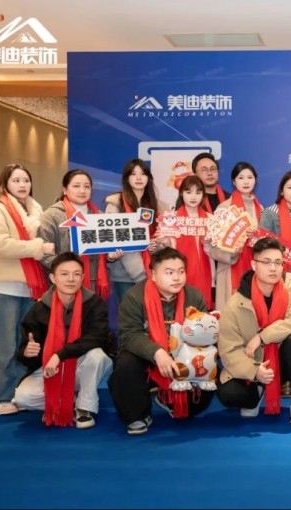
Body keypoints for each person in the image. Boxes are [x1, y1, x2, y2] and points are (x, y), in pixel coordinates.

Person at [0, 164, 55, 415]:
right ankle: (0, 397)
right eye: (16, 180)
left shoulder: (36, 211)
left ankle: (19, 392)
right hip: (3, 286)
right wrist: (37, 247)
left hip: (29, 287)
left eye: (26, 180)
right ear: (4, 184)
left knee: (25, 343)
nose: (22, 185)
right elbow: (0, 245)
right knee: (4, 342)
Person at [108, 247, 213, 435]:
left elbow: (203, 335)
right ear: (153, 275)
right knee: (126, 364)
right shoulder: (134, 297)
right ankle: (137, 415)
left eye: (181, 271)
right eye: (169, 273)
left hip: (183, 356)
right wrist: (157, 352)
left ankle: (168, 400)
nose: (177, 278)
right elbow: (129, 335)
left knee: (197, 402)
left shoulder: (194, 296)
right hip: (147, 356)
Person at [216, 237, 291, 432]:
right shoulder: (236, 302)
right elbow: (229, 350)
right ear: (254, 265)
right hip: (254, 363)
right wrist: (254, 371)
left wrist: (262, 336)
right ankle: (257, 391)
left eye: (278, 262)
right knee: (229, 393)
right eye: (266, 262)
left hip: (284, 359)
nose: (273, 268)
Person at [14, 252, 113, 428]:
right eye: (64, 274)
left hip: (80, 364)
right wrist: (27, 353)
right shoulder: (39, 309)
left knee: (97, 356)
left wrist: (60, 355)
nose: (71, 279)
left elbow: (98, 337)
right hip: (50, 368)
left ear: (83, 277)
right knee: (23, 398)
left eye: (76, 274)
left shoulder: (94, 303)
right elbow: (25, 353)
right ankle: (67, 402)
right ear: (53, 278)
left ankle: (84, 408)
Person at [38, 170, 118, 299]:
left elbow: (105, 250)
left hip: (94, 282)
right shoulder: (51, 216)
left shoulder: (100, 217)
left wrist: (111, 256)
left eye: (87, 186)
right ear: (65, 190)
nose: (82, 191)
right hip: (63, 284)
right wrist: (68, 271)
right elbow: (44, 253)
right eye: (76, 186)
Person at [104, 158, 170, 304]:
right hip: (124, 276)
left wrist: (157, 244)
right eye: (133, 174)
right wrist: (143, 275)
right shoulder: (115, 204)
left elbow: (161, 242)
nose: (139, 178)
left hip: (154, 272)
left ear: (149, 178)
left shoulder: (159, 206)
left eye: (143, 174)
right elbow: (113, 238)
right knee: (130, 314)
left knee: (152, 314)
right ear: (127, 178)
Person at [210, 161, 263, 305]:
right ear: (234, 181)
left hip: (255, 266)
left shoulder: (261, 208)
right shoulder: (224, 208)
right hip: (230, 268)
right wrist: (233, 252)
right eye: (241, 177)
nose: (246, 182)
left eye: (250, 177)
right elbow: (213, 246)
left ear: (255, 180)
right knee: (232, 310)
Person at [171, 175, 214, 309]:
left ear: (203, 195)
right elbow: (169, 251)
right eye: (189, 192)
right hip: (178, 272)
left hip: (205, 272)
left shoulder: (211, 219)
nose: (193, 197)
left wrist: (208, 243)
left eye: (198, 192)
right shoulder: (172, 219)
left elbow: (216, 253)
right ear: (181, 193)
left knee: (202, 310)